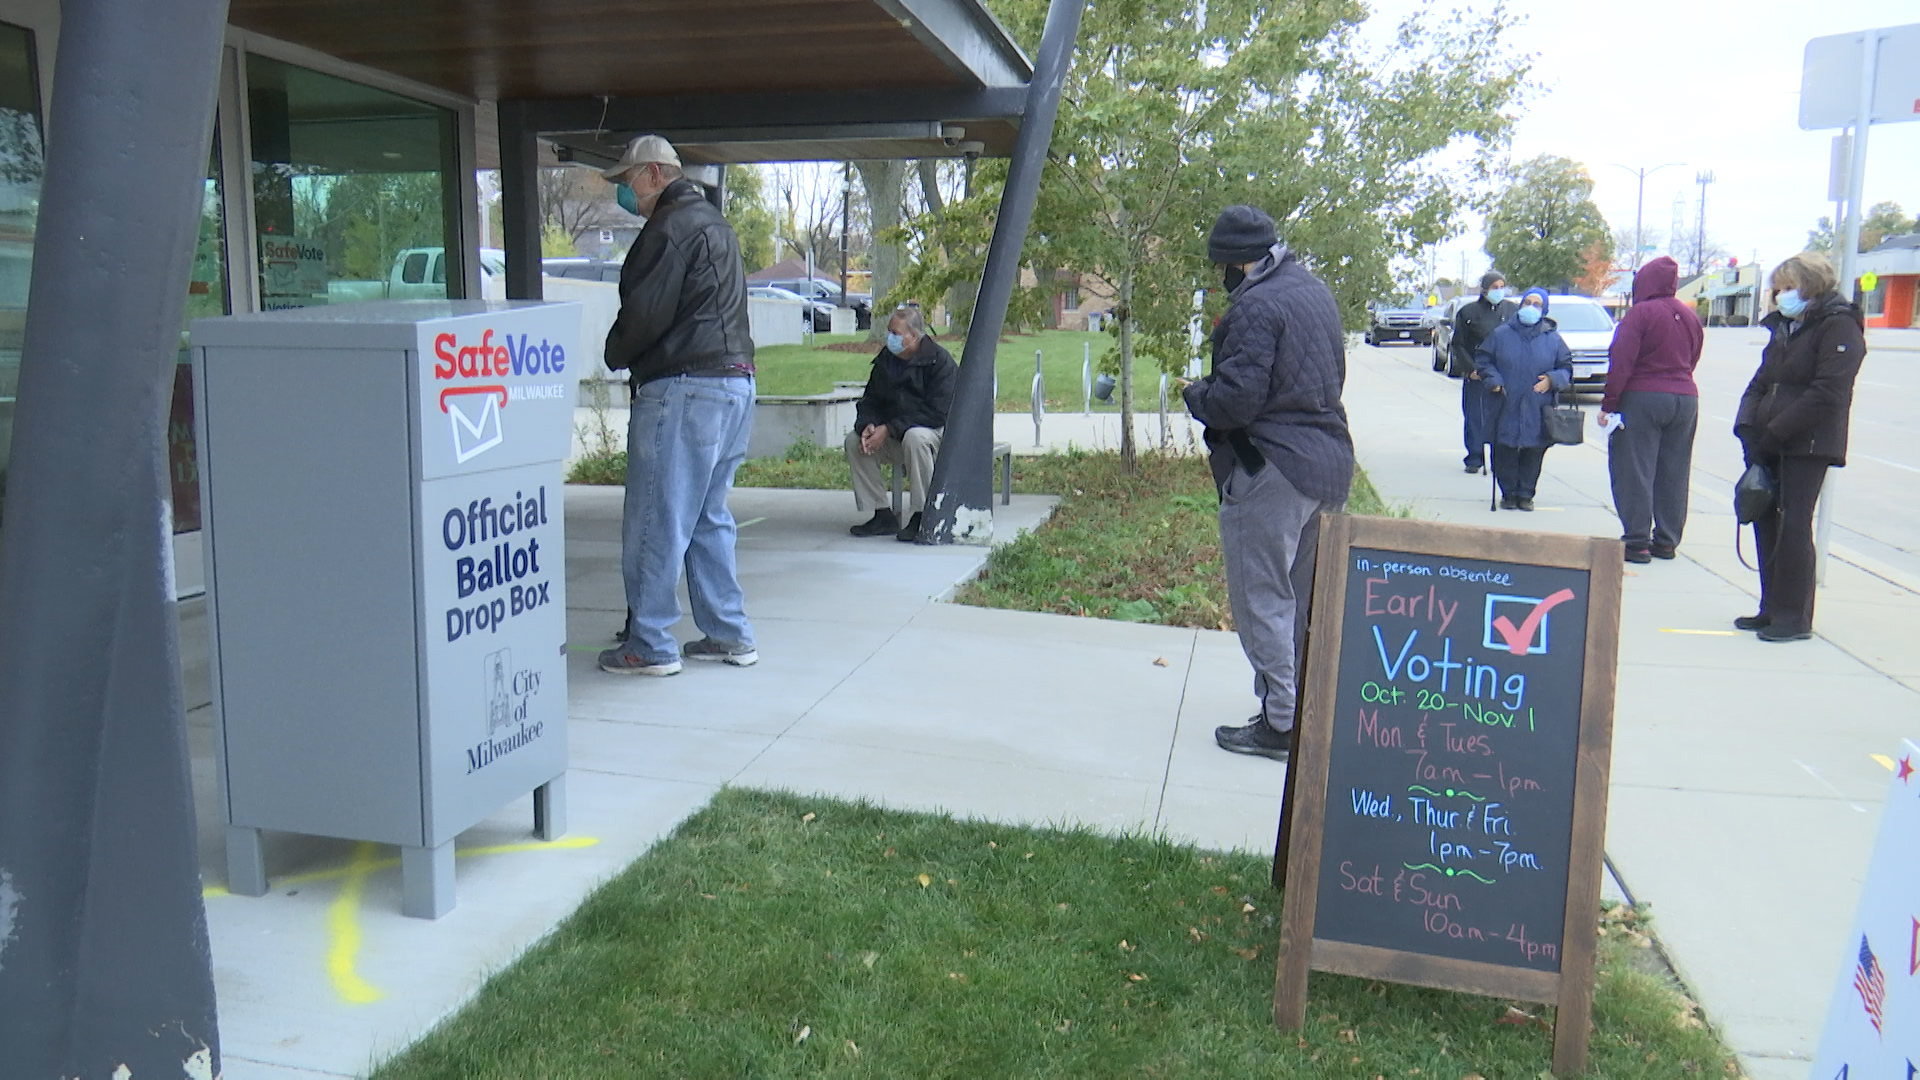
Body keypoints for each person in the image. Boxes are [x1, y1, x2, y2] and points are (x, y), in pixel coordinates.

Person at [1182, 205, 1353, 762]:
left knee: (1263, 600)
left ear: (1237, 261)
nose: (1221, 277)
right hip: (1327, 465)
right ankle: (1304, 711)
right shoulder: (1314, 292)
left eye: (1222, 266)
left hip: (1271, 469)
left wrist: (1196, 395)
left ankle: (1281, 722)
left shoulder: (1256, 306)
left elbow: (1235, 402)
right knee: (1304, 602)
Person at [595, 135, 760, 676]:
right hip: (735, 384)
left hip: (685, 387)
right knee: (709, 517)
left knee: (656, 517)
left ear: (652, 174)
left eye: (627, 180)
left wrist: (613, 351)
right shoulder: (716, 225)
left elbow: (645, 316)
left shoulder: (667, 229)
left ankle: (649, 641)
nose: (625, 191)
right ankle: (728, 632)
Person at [1734, 252, 1866, 643]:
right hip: (1770, 441)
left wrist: (1775, 432)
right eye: (1778, 289)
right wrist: (1747, 427)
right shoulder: (1786, 328)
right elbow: (1761, 381)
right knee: (1765, 520)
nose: (1781, 296)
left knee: (1793, 525)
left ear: (1811, 285)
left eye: (1789, 288)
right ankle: (1771, 607)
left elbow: (1828, 392)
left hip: (1807, 444)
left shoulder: (1838, 326)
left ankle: (1794, 617)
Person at [1600, 256, 1703, 563]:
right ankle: (1667, 540)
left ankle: (1637, 540)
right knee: (1674, 470)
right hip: (1685, 398)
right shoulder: (1689, 316)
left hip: (1643, 396)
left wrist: (1610, 404)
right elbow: (1694, 356)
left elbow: (1622, 361)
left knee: (1634, 468)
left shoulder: (1639, 314)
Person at [844, 305, 957, 541]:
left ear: (913, 336)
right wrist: (868, 425)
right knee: (854, 442)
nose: (890, 338)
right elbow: (870, 401)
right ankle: (882, 514)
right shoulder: (886, 361)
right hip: (895, 435)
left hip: (933, 436)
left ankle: (923, 515)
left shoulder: (940, 362)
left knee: (915, 437)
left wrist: (890, 428)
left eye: (895, 333)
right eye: (889, 332)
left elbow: (938, 413)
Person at [1475, 287, 1572, 512]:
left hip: (1538, 404)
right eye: (1527, 302)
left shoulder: (1553, 339)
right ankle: (1508, 493)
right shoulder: (1501, 334)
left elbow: (1566, 368)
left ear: (1544, 309)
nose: (1531, 307)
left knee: (1534, 450)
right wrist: (1494, 380)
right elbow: (1484, 359)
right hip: (1505, 400)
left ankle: (1526, 494)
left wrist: (1552, 379)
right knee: (1504, 448)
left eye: (1537, 304)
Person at [1450, 272, 1516, 474]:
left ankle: (1501, 456)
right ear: (1485, 288)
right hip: (1478, 373)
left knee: (1503, 416)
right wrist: (1470, 369)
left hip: (1504, 373)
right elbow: (1458, 345)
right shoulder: (1468, 312)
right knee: (1475, 416)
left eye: (1502, 286)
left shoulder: (1512, 310)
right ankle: (1475, 456)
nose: (1499, 290)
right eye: (1495, 286)